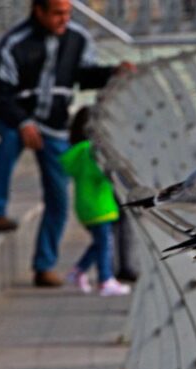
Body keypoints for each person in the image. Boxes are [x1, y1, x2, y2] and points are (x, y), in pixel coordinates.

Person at [0, 0, 136, 287]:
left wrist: (112, 72)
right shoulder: (14, 42)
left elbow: (83, 75)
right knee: (8, 143)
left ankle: (44, 266)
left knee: (59, 198)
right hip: (16, 116)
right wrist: (22, 121)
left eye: (67, 12)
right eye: (56, 13)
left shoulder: (77, 39)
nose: (63, 19)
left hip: (53, 126)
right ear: (38, 11)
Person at [60, 106, 131, 297]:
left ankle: (78, 271)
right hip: (99, 204)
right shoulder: (89, 151)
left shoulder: (77, 151)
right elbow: (100, 173)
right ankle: (105, 279)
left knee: (100, 242)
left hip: (87, 205)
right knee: (104, 242)